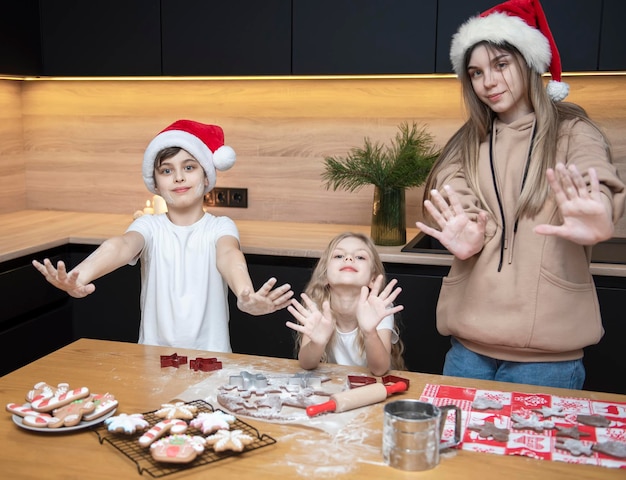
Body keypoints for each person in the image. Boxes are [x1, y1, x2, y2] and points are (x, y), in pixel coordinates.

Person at [415, 0, 625, 389]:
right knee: (456, 451)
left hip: (548, 358)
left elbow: (595, 175)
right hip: (467, 352)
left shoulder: (575, 132)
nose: (488, 82)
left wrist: (600, 210)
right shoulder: (465, 144)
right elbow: (453, 193)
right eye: (476, 72)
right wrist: (466, 227)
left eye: (500, 65)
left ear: (529, 63)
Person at [32, 119, 294, 352]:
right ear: (155, 184)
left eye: (189, 167)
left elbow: (229, 255)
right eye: (167, 170)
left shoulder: (220, 227)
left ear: (206, 177)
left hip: (212, 359)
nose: (179, 177)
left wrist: (245, 294)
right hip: (153, 360)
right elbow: (121, 246)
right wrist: (80, 276)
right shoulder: (149, 227)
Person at [286, 232, 406, 376]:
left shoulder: (379, 308)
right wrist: (317, 343)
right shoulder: (317, 306)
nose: (348, 258)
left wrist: (370, 333)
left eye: (360, 257)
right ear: (324, 276)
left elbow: (379, 370)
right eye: (339, 256)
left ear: (372, 279)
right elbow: (306, 363)